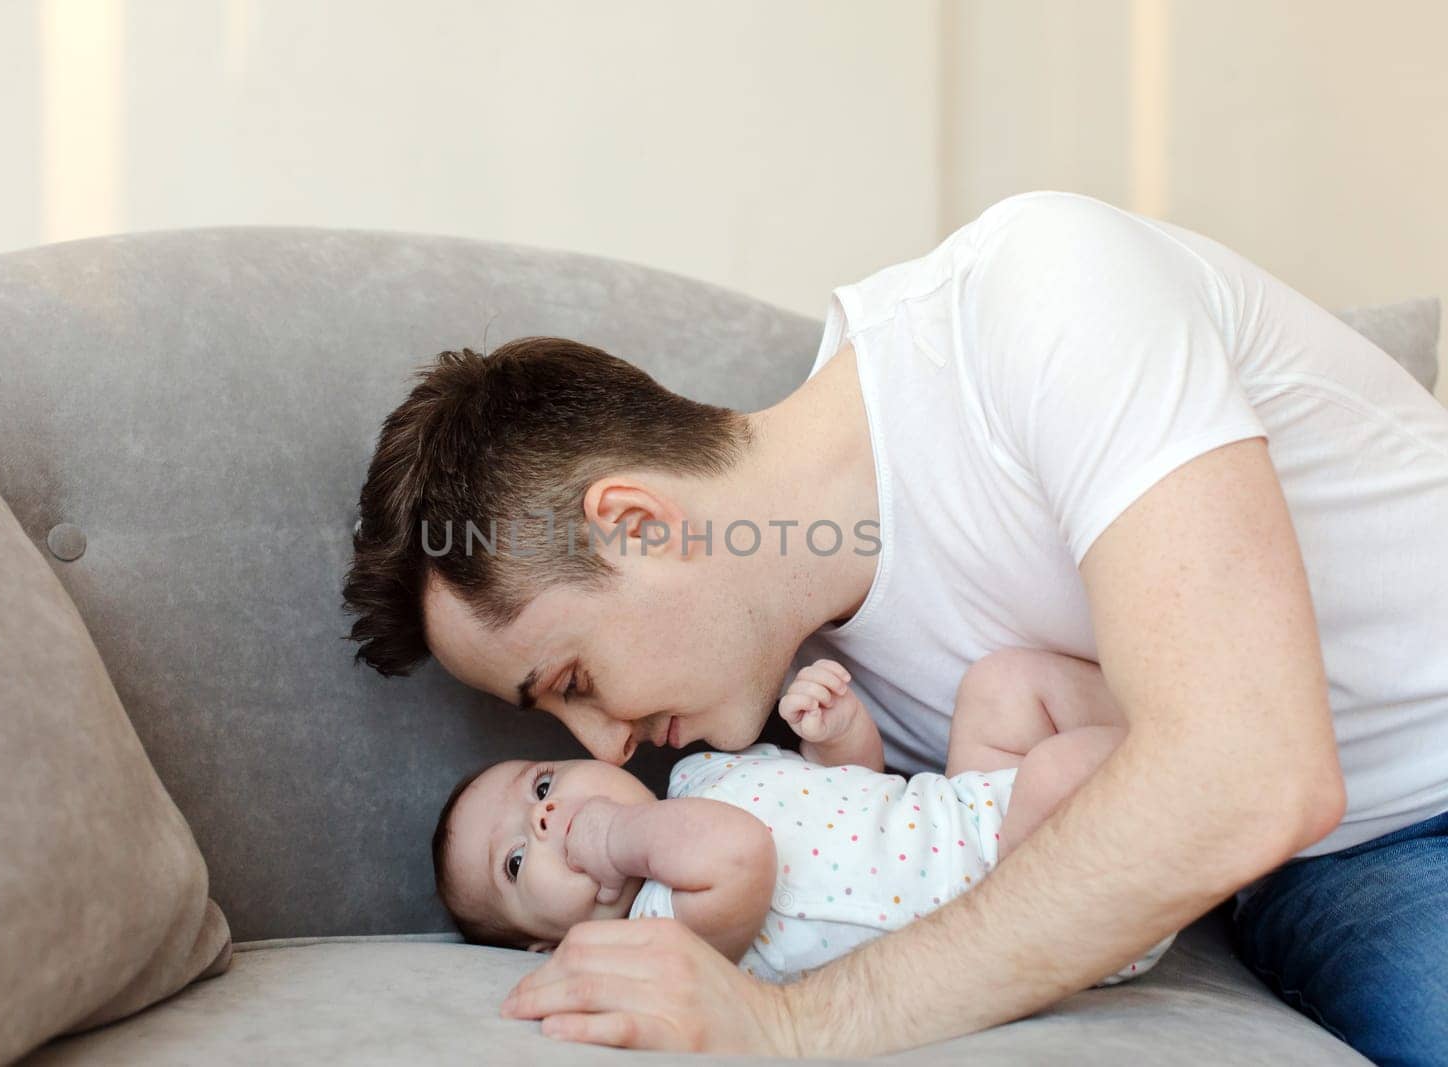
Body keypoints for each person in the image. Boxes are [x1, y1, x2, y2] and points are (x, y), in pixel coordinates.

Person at [342, 191, 1448, 1062]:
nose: (605, 745)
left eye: (571, 677)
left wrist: (797, 1027)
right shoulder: (815, 692)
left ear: (635, 524)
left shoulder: (1039, 293)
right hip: (1333, 868)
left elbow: (1246, 770)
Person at [432, 653, 1171, 985]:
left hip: (963, 812)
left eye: (543, 785)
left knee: (1003, 684)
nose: (548, 819)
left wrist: (835, 731)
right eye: (516, 863)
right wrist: (606, 837)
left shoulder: (703, 770)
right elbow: (739, 855)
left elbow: (858, 790)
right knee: (1059, 772)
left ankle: (1188, 711)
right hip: (1032, 910)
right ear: (544, 945)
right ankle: (1210, 758)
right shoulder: (663, 935)